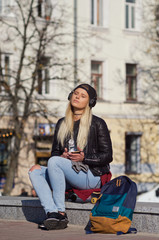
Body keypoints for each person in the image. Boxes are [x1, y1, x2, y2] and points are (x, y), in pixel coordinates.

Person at [29, 83, 113, 230]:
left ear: (90, 102)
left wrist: (84, 158)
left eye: (83, 96)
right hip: (69, 173)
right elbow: (54, 154)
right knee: (35, 169)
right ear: (70, 96)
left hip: (92, 175)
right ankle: (52, 212)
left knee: (54, 162)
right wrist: (62, 156)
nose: (77, 97)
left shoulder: (98, 123)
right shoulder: (62, 123)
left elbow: (108, 156)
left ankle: (61, 213)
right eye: (75, 93)